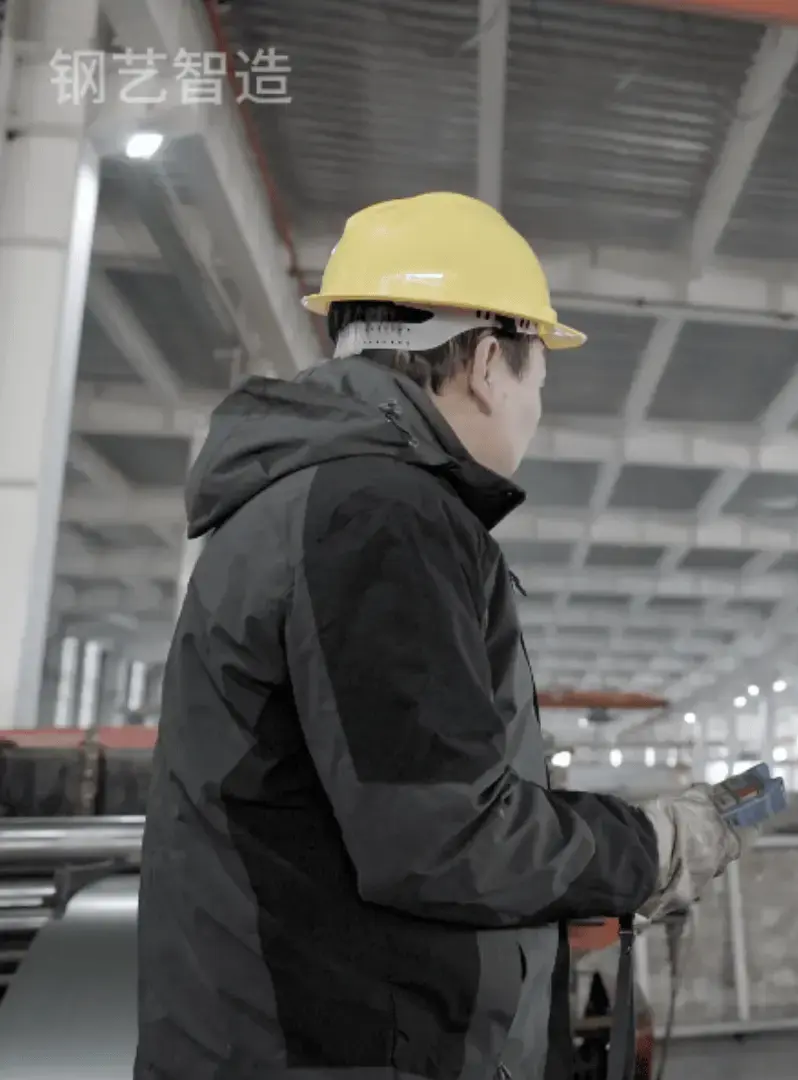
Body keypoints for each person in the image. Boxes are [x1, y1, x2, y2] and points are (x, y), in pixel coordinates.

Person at [136, 192, 748, 1080]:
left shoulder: (308, 500)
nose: (537, 405)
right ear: (489, 361)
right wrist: (656, 846)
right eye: (540, 375)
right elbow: (448, 836)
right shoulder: (379, 513)